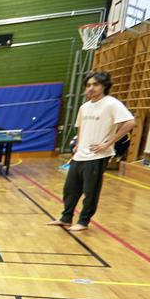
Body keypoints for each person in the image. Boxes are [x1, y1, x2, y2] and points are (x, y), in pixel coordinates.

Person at [47, 71, 134, 232]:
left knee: (90, 191)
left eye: (95, 85)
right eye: (88, 85)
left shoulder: (111, 103)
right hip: (80, 155)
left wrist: (108, 143)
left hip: (98, 155)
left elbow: (130, 122)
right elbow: (80, 128)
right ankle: (66, 218)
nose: (91, 88)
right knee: (70, 188)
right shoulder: (84, 107)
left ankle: (83, 221)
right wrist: (78, 145)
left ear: (104, 86)